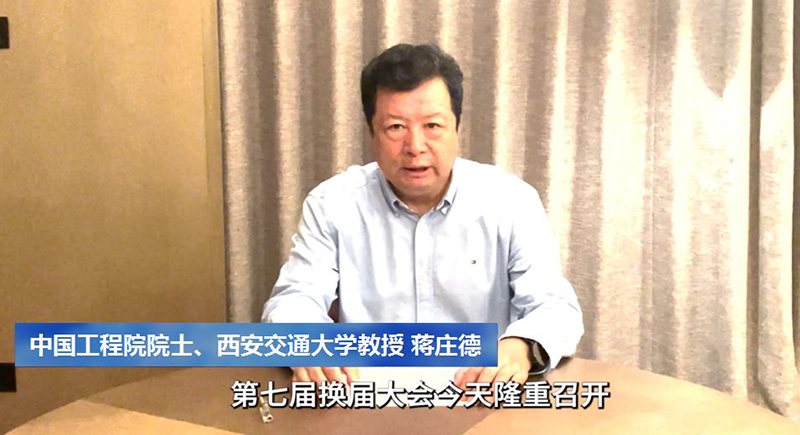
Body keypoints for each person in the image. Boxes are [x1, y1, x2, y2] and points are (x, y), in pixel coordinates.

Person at [263, 43, 583, 391]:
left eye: (432, 125)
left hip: (478, 396)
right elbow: (293, 299)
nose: (415, 146)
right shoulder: (332, 204)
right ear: (372, 133)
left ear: (456, 128)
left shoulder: (511, 201)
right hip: (367, 395)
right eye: (395, 127)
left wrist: (520, 348)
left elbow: (555, 307)